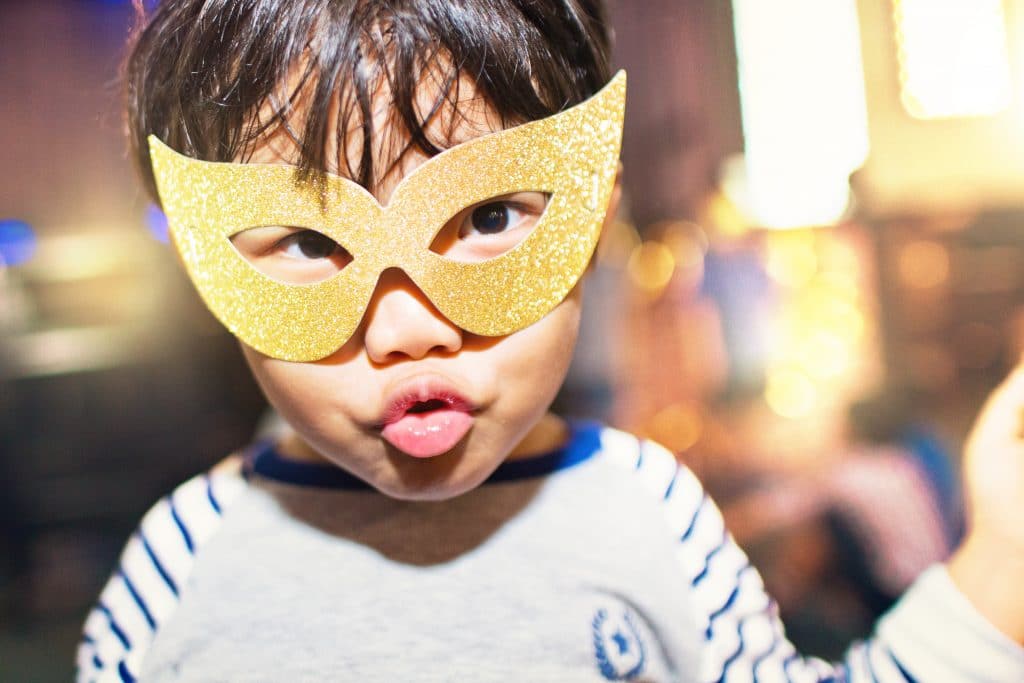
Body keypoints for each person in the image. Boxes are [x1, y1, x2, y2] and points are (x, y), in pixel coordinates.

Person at [78, 1, 1024, 681]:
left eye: (488, 214)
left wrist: (999, 569)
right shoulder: (184, 567)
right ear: (205, 268)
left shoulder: (652, 514)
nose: (411, 327)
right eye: (310, 242)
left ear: (592, 218)